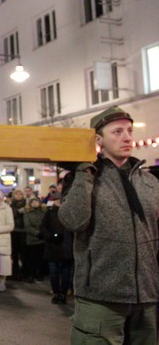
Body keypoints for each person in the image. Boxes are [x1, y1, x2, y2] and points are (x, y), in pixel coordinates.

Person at [59, 106, 159, 344]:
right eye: (117, 132)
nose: (126, 137)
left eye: (129, 130)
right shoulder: (83, 178)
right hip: (100, 297)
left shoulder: (150, 182)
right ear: (99, 140)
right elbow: (73, 221)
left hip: (146, 296)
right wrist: (84, 173)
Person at [40, 192, 73, 304]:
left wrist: (64, 236)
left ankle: (63, 293)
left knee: (66, 273)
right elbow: (43, 227)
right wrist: (52, 236)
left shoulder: (69, 212)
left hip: (66, 247)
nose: (59, 202)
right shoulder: (49, 212)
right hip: (53, 246)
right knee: (53, 273)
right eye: (57, 200)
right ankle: (56, 293)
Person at [22, 197, 46, 283]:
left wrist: (42, 233)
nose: (35, 203)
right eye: (33, 201)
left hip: (42, 239)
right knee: (31, 259)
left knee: (40, 258)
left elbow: (45, 224)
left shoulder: (43, 212)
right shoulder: (27, 213)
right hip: (32, 239)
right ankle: (31, 275)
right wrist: (37, 233)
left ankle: (38, 274)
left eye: (37, 201)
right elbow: (27, 226)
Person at [9, 188, 27, 280]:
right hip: (14, 230)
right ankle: (15, 272)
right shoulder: (11, 206)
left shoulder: (27, 205)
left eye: (20, 194)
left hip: (23, 231)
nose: (18, 196)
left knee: (23, 253)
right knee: (14, 253)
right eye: (17, 194)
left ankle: (24, 272)